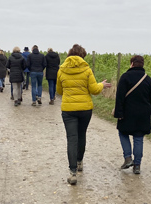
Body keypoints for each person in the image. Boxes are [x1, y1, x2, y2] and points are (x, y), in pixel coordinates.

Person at [57, 44, 111, 185]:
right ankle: (80, 161)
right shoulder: (87, 69)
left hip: (68, 109)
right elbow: (94, 90)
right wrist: (101, 85)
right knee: (82, 135)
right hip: (85, 109)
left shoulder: (61, 70)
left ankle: (72, 172)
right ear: (82, 56)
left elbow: (59, 91)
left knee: (71, 138)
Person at [113, 55, 151, 175]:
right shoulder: (147, 78)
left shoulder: (125, 77)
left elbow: (119, 97)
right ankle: (137, 165)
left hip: (127, 113)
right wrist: (148, 109)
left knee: (122, 133)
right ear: (142, 65)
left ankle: (127, 157)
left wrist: (119, 113)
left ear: (131, 63)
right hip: (143, 114)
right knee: (138, 138)